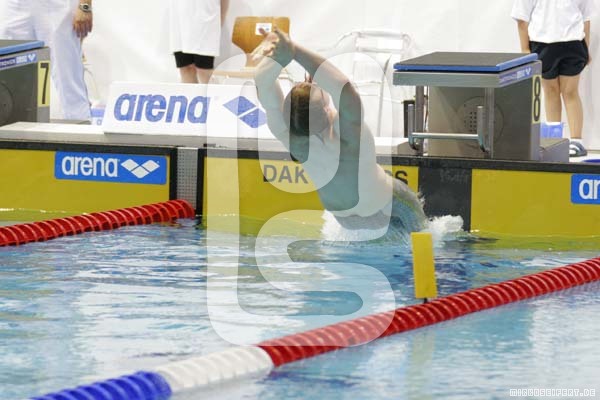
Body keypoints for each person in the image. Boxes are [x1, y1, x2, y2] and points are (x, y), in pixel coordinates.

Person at [255, 28, 426, 236]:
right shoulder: (347, 130)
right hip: (388, 205)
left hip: (345, 219)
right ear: (325, 107)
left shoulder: (290, 138)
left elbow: (263, 85)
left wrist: (275, 61)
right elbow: (343, 87)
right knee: (425, 237)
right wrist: (294, 51)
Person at [512, 0, 597, 157]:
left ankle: (576, 140)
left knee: (570, 92)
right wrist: (525, 49)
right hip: (542, 43)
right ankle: (553, 140)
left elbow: (586, 17)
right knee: (551, 92)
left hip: (573, 43)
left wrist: (586, 48)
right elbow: (521, 17)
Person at [0, 0, 93, 121]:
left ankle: (79, 125)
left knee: (66, 76)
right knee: (9, 71)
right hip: (14, 5)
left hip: (57, 6)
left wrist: (85, 6)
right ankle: (11, 127)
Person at [168, 0, 229, 84]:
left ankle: (213, 92)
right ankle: (190, 92)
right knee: (186, 67)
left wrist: (221, 17)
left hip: (205, 16)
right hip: (180, 15)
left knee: (204, 69)